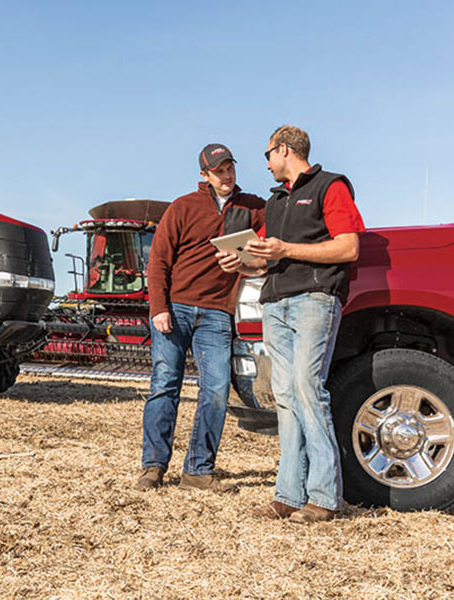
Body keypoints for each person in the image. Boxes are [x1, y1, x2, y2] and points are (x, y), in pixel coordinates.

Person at [218, 125, 365, 522]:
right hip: (276, 305)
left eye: (268, 155)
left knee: (307, 389)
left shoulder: (329, 187)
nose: (264, 164)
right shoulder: (277, 202)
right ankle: (287, 495)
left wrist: (285, 248)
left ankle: (323, 497)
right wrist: (242, 261)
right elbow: (265, 258)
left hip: (315, 299)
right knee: (284, 395)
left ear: (285, 149)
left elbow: (348, 246)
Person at [137, 144, 265, 491]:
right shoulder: (183, 207)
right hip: (176, 307)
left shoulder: (253, 208)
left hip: (217, 313)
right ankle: (153, 467)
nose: (227, 176)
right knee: (165, 385)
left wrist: (247, 262)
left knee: (217, 391)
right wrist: (159, 308)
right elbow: (159, 261)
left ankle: (197, 471)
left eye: (230, 168)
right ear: (204, 175)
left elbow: (272, 241)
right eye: (219, 170)